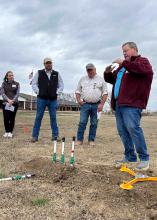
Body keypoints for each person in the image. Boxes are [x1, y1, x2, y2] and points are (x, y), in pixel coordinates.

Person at [104, 42, 153, 171]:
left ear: (134, 49)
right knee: (122, 131)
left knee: (133, 128)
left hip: (133, 103)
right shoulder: (123, 68)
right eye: (123, 51)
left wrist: (124, 63)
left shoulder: (142, 62)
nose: (124, 53)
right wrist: (108, 71)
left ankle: (144, 158)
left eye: (126, 50)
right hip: (119, 103)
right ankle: (130, 156)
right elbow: (111, 79)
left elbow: (142, 71)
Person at [31, 57, 64, 142]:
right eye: (47, 63)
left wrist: (57, 93)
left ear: (52, 64)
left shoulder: (56, 73)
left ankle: (55, 136)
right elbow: (34, 83)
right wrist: (38, 92)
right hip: (41, 99)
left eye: (50, 63)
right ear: (44, 64)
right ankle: (35, 136)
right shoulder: (39, 73)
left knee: (53, 117)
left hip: (53, 100)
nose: (49, 64)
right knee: (38, 117)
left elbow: (61, 85)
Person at [76, 63, 108, 146]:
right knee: (82, 122)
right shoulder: (82, 79)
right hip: (85, 104)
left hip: (96, 105)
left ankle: (91, 140)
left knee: (94, 123)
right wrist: (79, 100)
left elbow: (105, 93)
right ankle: (79, 140)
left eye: (91, 70)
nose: (90, 71)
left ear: (95, 69)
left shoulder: (101, 79)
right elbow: (78, 91)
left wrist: (101, 104)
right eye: (88, 70)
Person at [1, 71, 20, 138]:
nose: (11, 76)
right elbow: (2, 93)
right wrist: (8, 100)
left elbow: (17, 94)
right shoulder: (4, 84)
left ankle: (10, 132)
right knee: (6, 118)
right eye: (10, 75)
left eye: (12, 75)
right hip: (5, 103)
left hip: (14, 103)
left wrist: (12, 101)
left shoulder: (17, 84)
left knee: (12, 118)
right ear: (7, 76)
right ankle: (6, 131)